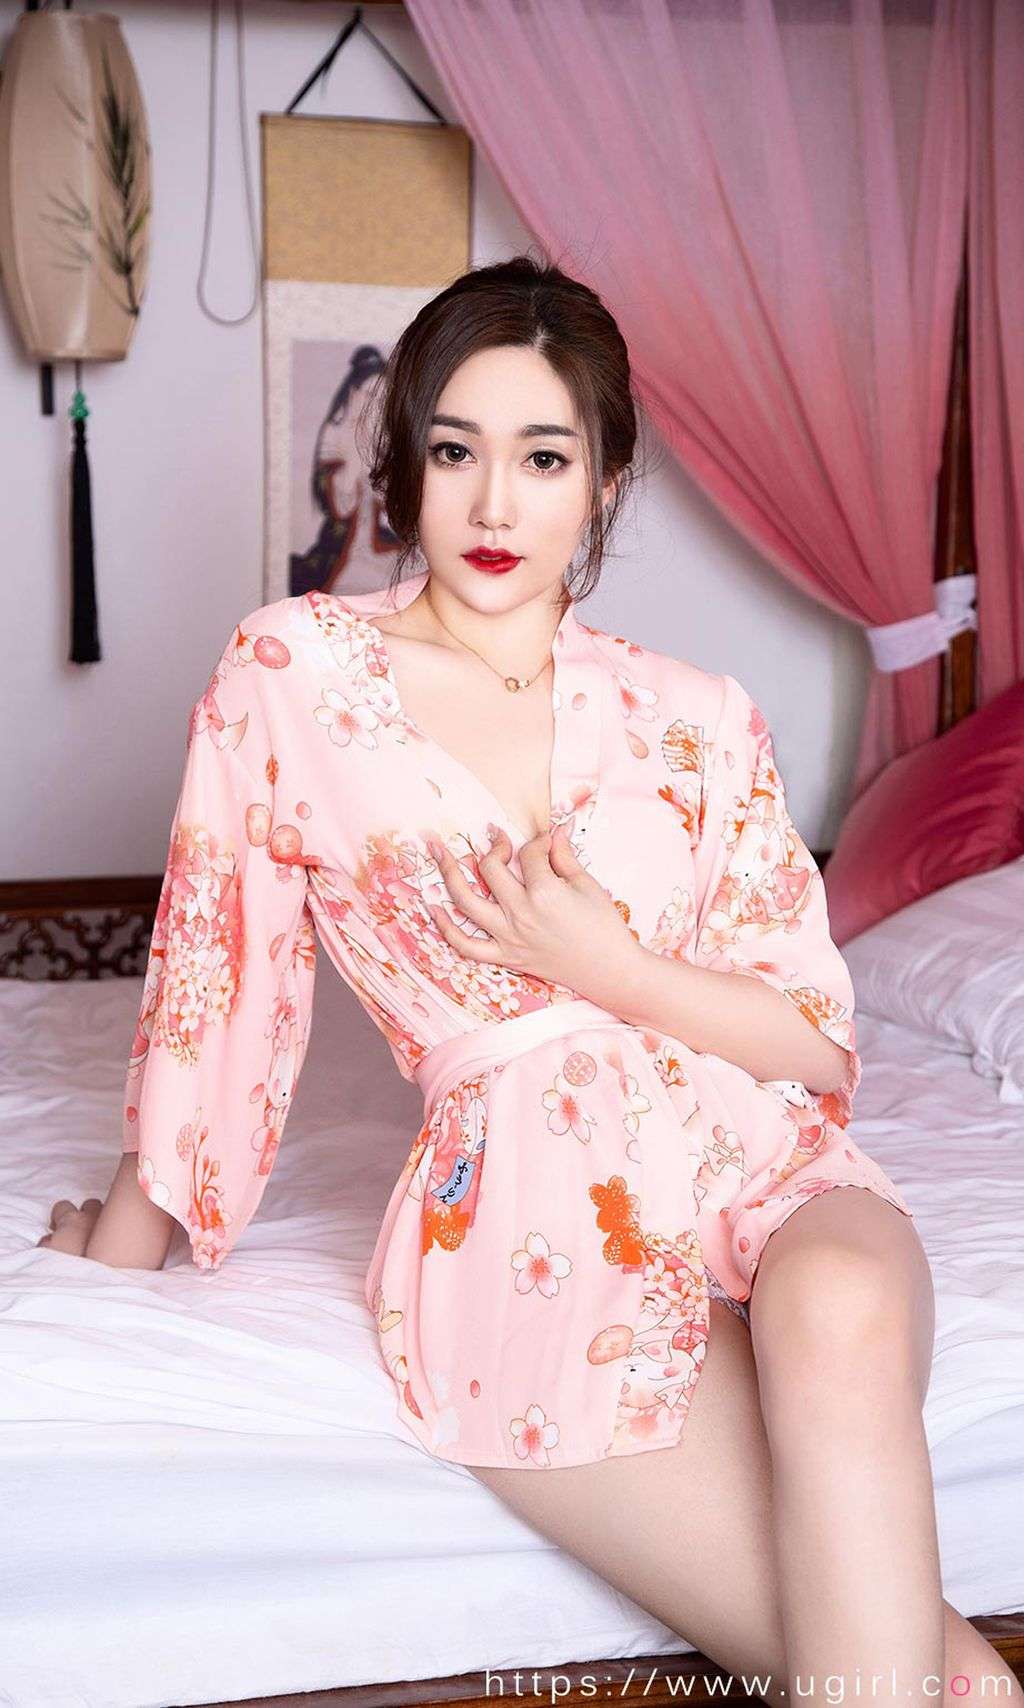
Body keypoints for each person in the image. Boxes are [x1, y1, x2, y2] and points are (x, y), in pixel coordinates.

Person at [39, 255, 1021, 1708]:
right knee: (967, 1688)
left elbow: (816, 1044)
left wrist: (611, 967)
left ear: (605, 481)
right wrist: (130, 1236)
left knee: (841, 1308)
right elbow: (217, 969)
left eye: (545, 458)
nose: (496, 506)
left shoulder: (698, 717)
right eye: (457, 452)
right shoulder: (295, 672)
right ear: (406, 467)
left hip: (764, 1167)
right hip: (529, 1218)